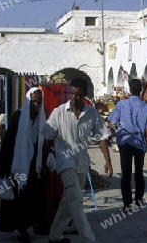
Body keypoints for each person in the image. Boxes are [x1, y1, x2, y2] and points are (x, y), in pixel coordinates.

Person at [42, 77, 113, 243]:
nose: (74, 98)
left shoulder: (92, 113)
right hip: (64, 160)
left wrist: (107, 161)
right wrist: (43, 162)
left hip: (82, 162)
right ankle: (89, 238)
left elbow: (102, 137)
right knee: (75, 198)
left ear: (85, 95)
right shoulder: (58, 112)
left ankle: (54, 235)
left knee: (69, 199)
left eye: (78, 94)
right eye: (72, 93)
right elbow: (47, 138)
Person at [0, 87, 47, 243]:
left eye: (38, 102)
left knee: (32, 197)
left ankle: (30, 225)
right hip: (17, 164)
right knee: (18, 198)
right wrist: (4, 166)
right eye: (32, 102)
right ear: (27, 101)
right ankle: (21, 229)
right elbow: (9, 142)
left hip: (33, 165)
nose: (35, 105)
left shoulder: (42, 117)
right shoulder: (18, 116)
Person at [108, 78, 147, 211]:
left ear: (130, 89)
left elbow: (112, 122)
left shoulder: (121, 105)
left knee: (126, 173)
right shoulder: (146, 107)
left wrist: (116, 132)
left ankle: (127, 204)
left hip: (124, 141)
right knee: (139, 172)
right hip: (139, 142)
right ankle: (139, 200)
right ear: (140, 90)